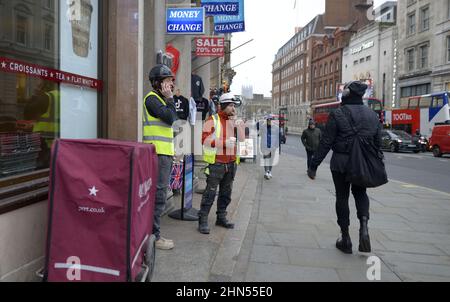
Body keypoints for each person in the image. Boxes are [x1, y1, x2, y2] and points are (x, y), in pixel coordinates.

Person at [307, 81, 382, 254]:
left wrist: (314, 165)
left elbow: (326, 141)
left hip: (341, 163)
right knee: (361, 193)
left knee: (342, 197)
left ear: (346, 95)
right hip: (361, 163)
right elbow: (378, 143)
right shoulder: (372, 115)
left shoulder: (338, 113)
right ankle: (364, 227)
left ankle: (345, 238)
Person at [198, 92, 245, 234]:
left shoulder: (235, 121)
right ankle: (203, 220)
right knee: (210, 193)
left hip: (231, 163)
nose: (233, 109)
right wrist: (224, 143)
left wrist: (239, 126)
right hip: (216, 163)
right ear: (224, 106)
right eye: (231, 105)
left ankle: (221, 217)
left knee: (226, 193)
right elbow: (204, 140)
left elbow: (242, 139)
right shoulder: (212, 120)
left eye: (234, 106)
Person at [143, 64, 178, 250]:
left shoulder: (161, 99)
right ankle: (154, 238)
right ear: (157, 83)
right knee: (158, 196)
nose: (170, 85)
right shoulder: (153, 99)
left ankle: (153, 235)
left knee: (159, 195)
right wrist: (170, 99)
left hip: (163, 153)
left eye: (171, 81)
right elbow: (170, 118)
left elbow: (174, 118)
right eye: (166, 81)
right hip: (157, 153)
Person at [259, 115, 280, 180]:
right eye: (268, 120)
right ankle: (266, 172)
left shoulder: (276, 128)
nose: (269, 121)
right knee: (266, 160)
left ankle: (269, 171)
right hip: (265, 146)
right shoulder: (263, 127)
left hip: (273, 147)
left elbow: (278, 138)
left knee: (271, 160)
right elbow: (260, 136)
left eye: (270, 120)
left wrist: (277, 146)